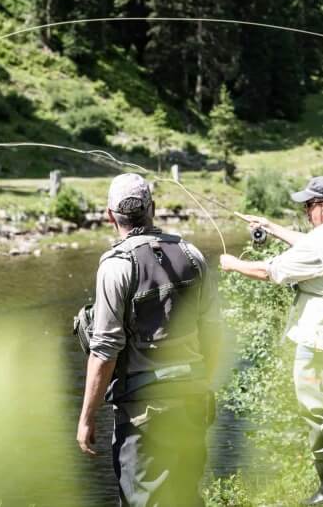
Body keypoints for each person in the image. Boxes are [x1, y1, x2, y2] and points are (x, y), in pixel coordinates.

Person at [219, 175, 323, 505]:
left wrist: (233, 265)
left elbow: (270, 271)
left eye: (308, 206)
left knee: (317, 414)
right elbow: (310, 243)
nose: (306, 212)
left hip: (320, 345)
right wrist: (271, 226)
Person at [77, 173, 222, 506]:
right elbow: (213, 332)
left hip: (143, 412)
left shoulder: (115, 266)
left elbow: (104, 351)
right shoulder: (192, 254)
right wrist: (204, 383)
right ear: (153, 209)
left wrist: (87, 418)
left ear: (110, 215)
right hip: (191, 399)